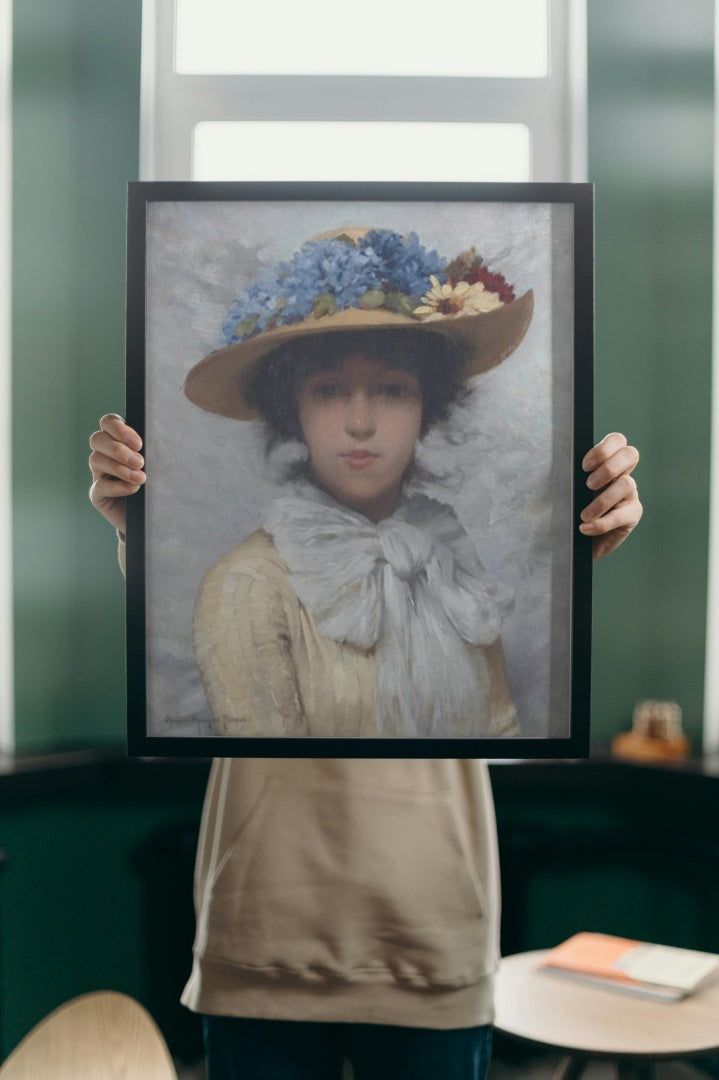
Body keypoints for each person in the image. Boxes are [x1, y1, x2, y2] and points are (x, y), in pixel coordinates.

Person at [89, 229, 642, 1080]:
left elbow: (495, 718)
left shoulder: (452, 563)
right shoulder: (245, 582)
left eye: (390, 389)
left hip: (436, 931)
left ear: (427, 408)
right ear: (292, 411)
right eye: (325, 390)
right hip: (269, 940)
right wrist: (140, 533)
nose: (358, 420)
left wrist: (573, 552)